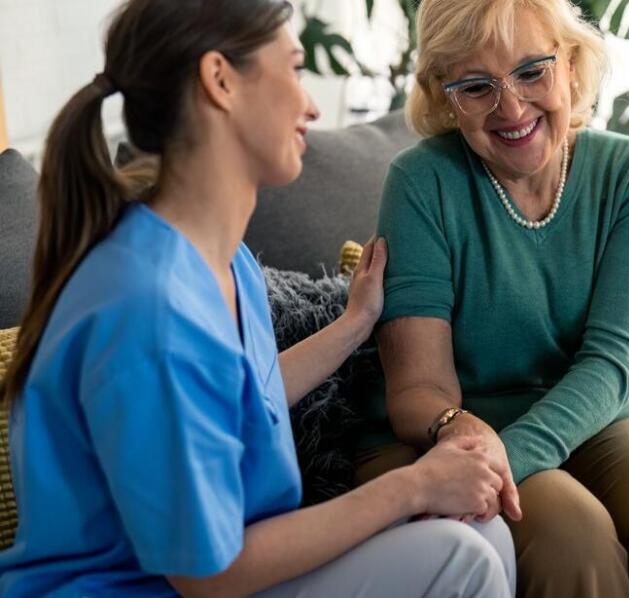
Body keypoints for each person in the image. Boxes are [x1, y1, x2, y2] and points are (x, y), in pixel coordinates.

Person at [0, 1, 514, 596]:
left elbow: (245, 394)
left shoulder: (224, 260)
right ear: (220, 80)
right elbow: (208, 574)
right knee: (458, 558)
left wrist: (355, 323)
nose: (312, 105)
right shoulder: (145, 309)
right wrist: (415, 485)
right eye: (294, 70)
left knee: (481, 532)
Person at [356, 0, 629, 595]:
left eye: (531, 71)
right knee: (571, 536)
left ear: (571, 65)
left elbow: (614, 361)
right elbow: (419, 390)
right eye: (476, 86)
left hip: (604, 412)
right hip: (460, 427)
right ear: (445, 95)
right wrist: (467, 442)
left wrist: (506, 461)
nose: (511, 107)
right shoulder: (422, 182)